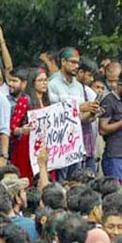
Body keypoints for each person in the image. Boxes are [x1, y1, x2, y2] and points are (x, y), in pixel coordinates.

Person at [47, 47, 100, 179]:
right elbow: (55, 115)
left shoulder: (79, 87)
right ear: (63, 62)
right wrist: (80, 107)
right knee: (61, 182)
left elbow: (79, 118)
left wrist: (91, 114)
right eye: (72, 62)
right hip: (59, 146)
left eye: (77, 63)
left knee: (77, 182)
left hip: (76, 144)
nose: (76, 66)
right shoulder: (52, 84)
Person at [10, 67, 50, 186]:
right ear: (33, 82)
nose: (44, 83)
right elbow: (13, 127)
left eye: (45, 80)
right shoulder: (25, 100)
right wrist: (22, 130)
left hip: (43, 144)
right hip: (26, 146)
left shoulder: (47, 101)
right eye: (40, 80)